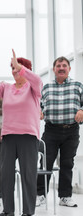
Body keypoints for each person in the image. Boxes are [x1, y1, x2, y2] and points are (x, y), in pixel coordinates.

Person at [0, 49, 42, 216]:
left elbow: (37, 79)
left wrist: (21, 67)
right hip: (8, 136)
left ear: (25, 69)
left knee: (28, 174)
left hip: (28, 136)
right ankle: (8, 209)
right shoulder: (7, 88)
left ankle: (28, 210)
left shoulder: (33, 88)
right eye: (12, 68)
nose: (14, 72)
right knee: (5, 174)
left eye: (17, 68)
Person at [36, 56, 83, 208]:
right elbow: (39, 106)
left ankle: (65, 196)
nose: (61, 68)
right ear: (54, 69)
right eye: (58, 65)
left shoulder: (78, 86)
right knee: (45, 162)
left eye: (64, 65)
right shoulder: (47, 87)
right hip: (51, 131)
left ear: (69, 69)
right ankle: (40, 195)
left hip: (71, 131)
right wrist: (40, 112)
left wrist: (81, 110)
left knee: (67, 163)